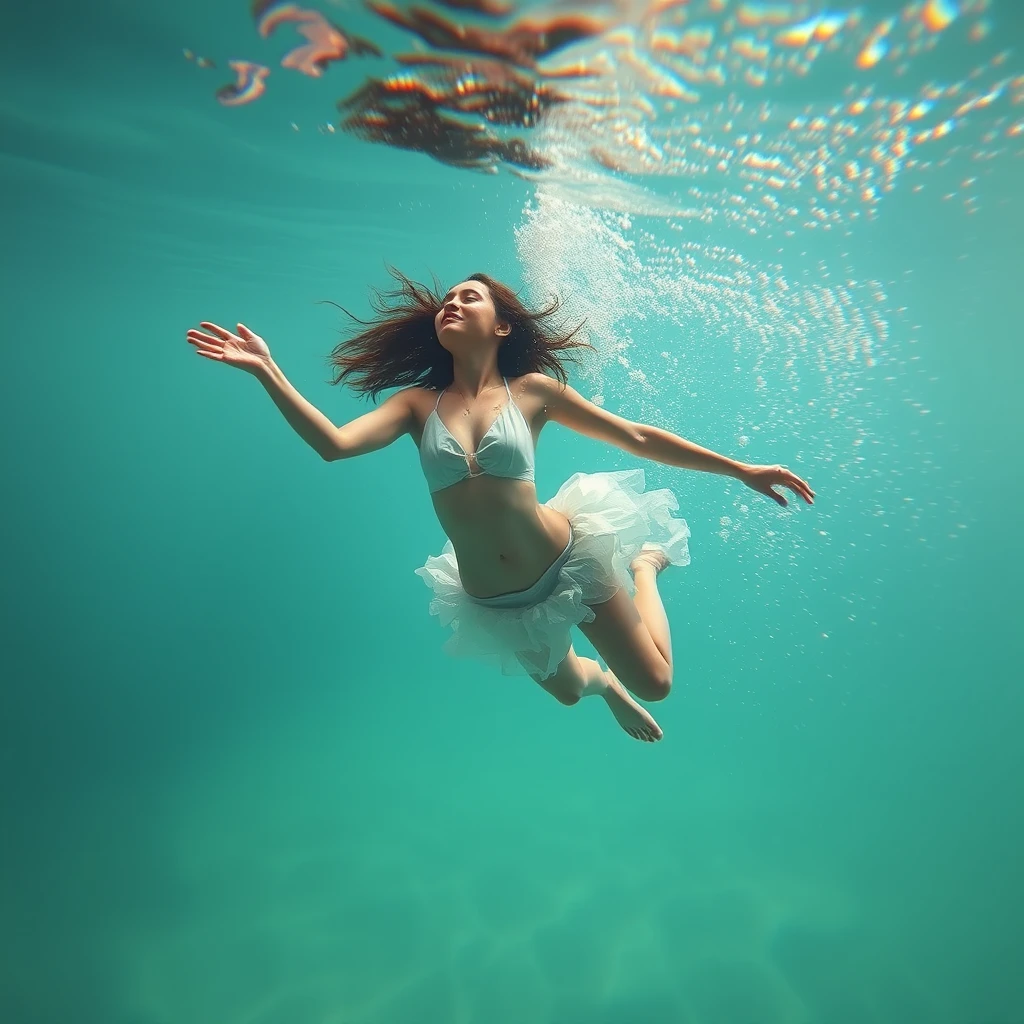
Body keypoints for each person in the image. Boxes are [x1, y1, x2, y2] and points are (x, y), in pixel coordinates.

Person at [186, 270, 814, 742]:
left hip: (568, 561)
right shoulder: (415, 405)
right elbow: (333, 445)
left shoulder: (533, 391)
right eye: (445, 302)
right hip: (495, 598)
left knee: (660, 684)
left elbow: (637, 437)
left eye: (469, 297)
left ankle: (645, 568)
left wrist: (741, 470)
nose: (451, 305)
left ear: (502, 324)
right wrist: (268, 370)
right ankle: (604, 683)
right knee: (571, 692)